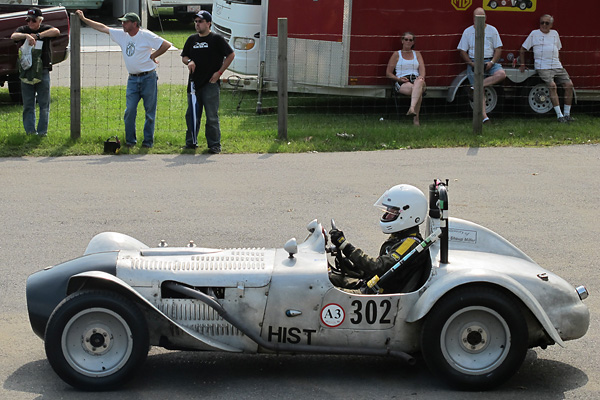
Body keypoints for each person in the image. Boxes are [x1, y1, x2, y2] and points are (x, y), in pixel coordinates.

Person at [76, 11, 171, 148]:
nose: (123, 24)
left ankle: (148, 142)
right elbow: (102, 28)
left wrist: (153, 55)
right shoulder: (122, 35)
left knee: (150, 112)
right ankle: (130, 141)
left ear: (134, 24)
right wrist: (84, 19)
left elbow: (166, 45)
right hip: (132, 79)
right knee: (130, 111)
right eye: (122, 21)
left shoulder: (145, 35)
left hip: (148, 78)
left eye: (125, 22)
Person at [329, 184, 431, 294]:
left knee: (320, 292)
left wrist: (346, 247)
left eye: (392, 213)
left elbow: (378, 267)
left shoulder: (410, 244)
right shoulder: (399, 237)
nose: (386, 216)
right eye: (387, 212)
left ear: (409, 215)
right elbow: (381, 270)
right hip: (372, 285)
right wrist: (358, 269)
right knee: (324, 277)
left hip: (380, 295)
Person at [181, 10, 235, 153]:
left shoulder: (216, 39)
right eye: (196, 22)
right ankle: (191, 142)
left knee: (211, 116)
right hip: (193, 85)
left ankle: (214, 145)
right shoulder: (191, 40)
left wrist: (219, 73)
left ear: (208, 23)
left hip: (210, 84)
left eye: (200, 21)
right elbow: (184, 56)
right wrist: (190, 61)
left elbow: (231, 55)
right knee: (192, 115)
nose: (197, 24)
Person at [11, 7, 60, 136]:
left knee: (44, 104)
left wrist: (38, 36)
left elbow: (56, 31)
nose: (30, 23)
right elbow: (13, 36)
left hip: (42, 71)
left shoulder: (45, 29)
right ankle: (30, 132)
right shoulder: (24, 30)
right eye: (28, 20)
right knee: (28, 103)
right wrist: (26, 36)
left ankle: (42, 132)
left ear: (39, 20)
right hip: (26, 72)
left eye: (33, 20)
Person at [519, 14, 574, 123]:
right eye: (542, 22)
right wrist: (522, 64)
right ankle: (559, 116)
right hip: (542, 66)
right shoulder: (534, 34)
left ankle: (567, 114)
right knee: (552, 86)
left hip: (556, 65)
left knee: (569, 85)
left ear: (551, 25)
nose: (544, 25)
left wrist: (559, 63)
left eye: (546, 23)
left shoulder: (555, 34)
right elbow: (522, 49)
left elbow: (558, 50)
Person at [457, 7, 506, 124]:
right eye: (477, 17)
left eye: (482, 17)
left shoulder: (492, 30)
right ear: (473, 18)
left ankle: (474, 87)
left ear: (485, 17)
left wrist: (492, 62)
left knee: (502, 74)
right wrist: (471, 63)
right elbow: (462, 51)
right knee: (482, 90)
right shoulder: (467, 31)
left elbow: (498, 49)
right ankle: (484, 117)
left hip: (489, 60)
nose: (479, 19)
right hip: (474, 61)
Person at [386, 32, 426, 126]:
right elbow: (388, 73)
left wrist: (421, 77)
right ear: (402, 41)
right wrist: (399, 79)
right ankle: (416, 121)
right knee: (417, 91)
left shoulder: (417, 54)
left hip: (416, 79)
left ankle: (411, 108)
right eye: (406, 39)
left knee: (419, 82)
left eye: (410, 40)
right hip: (403, 81)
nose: (408, 41)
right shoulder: (396, 54)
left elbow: (422, 70)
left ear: (413, 42)